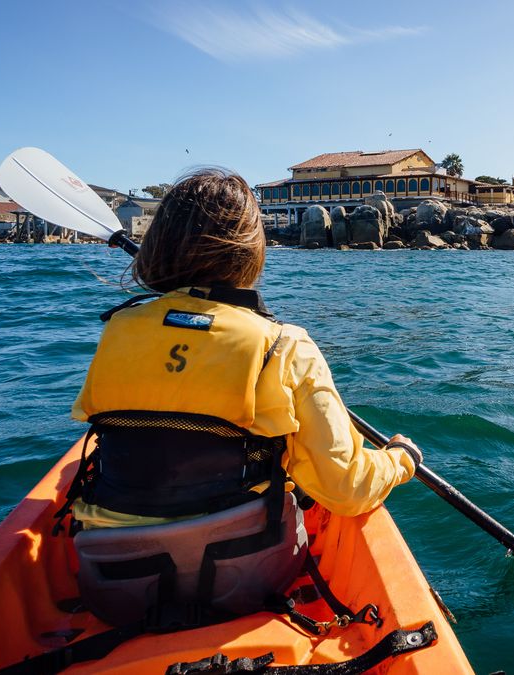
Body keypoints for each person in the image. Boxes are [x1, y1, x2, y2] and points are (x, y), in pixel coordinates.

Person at [62, 168, 422, 626]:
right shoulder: (285, 344)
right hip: (248, 578)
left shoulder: (118, 330)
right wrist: (399, 458)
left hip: (113, 582)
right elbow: (346, 490)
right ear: (252, 250)